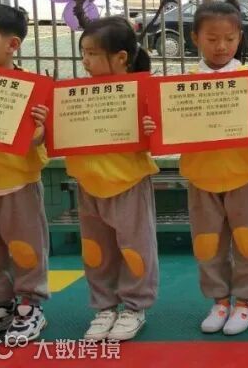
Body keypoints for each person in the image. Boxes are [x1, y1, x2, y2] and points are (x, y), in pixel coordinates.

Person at [146, 0, 248, 335]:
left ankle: (245, 302)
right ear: (195, 38)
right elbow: (167, 131)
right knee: (207, 242)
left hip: (245, 174)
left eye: (229, 39)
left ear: (240, 37)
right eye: (212, 39)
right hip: (201, 177)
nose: (221, 46)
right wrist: (154, 127)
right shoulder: (182, 86)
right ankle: (219, 300)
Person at [69, 17, 159, 342]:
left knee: (135, 247)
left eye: (93, 54)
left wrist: (152, 129)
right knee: (96, 251)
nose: (85, 60)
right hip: (88, 182)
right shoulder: (74, 94)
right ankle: (104, 307)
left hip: (128, 181)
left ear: (121, 58)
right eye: (83, 53)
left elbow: (161, 136)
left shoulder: (143, 91)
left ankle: (134, 307)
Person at [0, 5, 50, 343]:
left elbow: (43, 139)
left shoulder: (31, 90)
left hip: (17, 183)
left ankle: (29, 305)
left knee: (26, 249)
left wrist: (38, 133)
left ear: (12, 45)